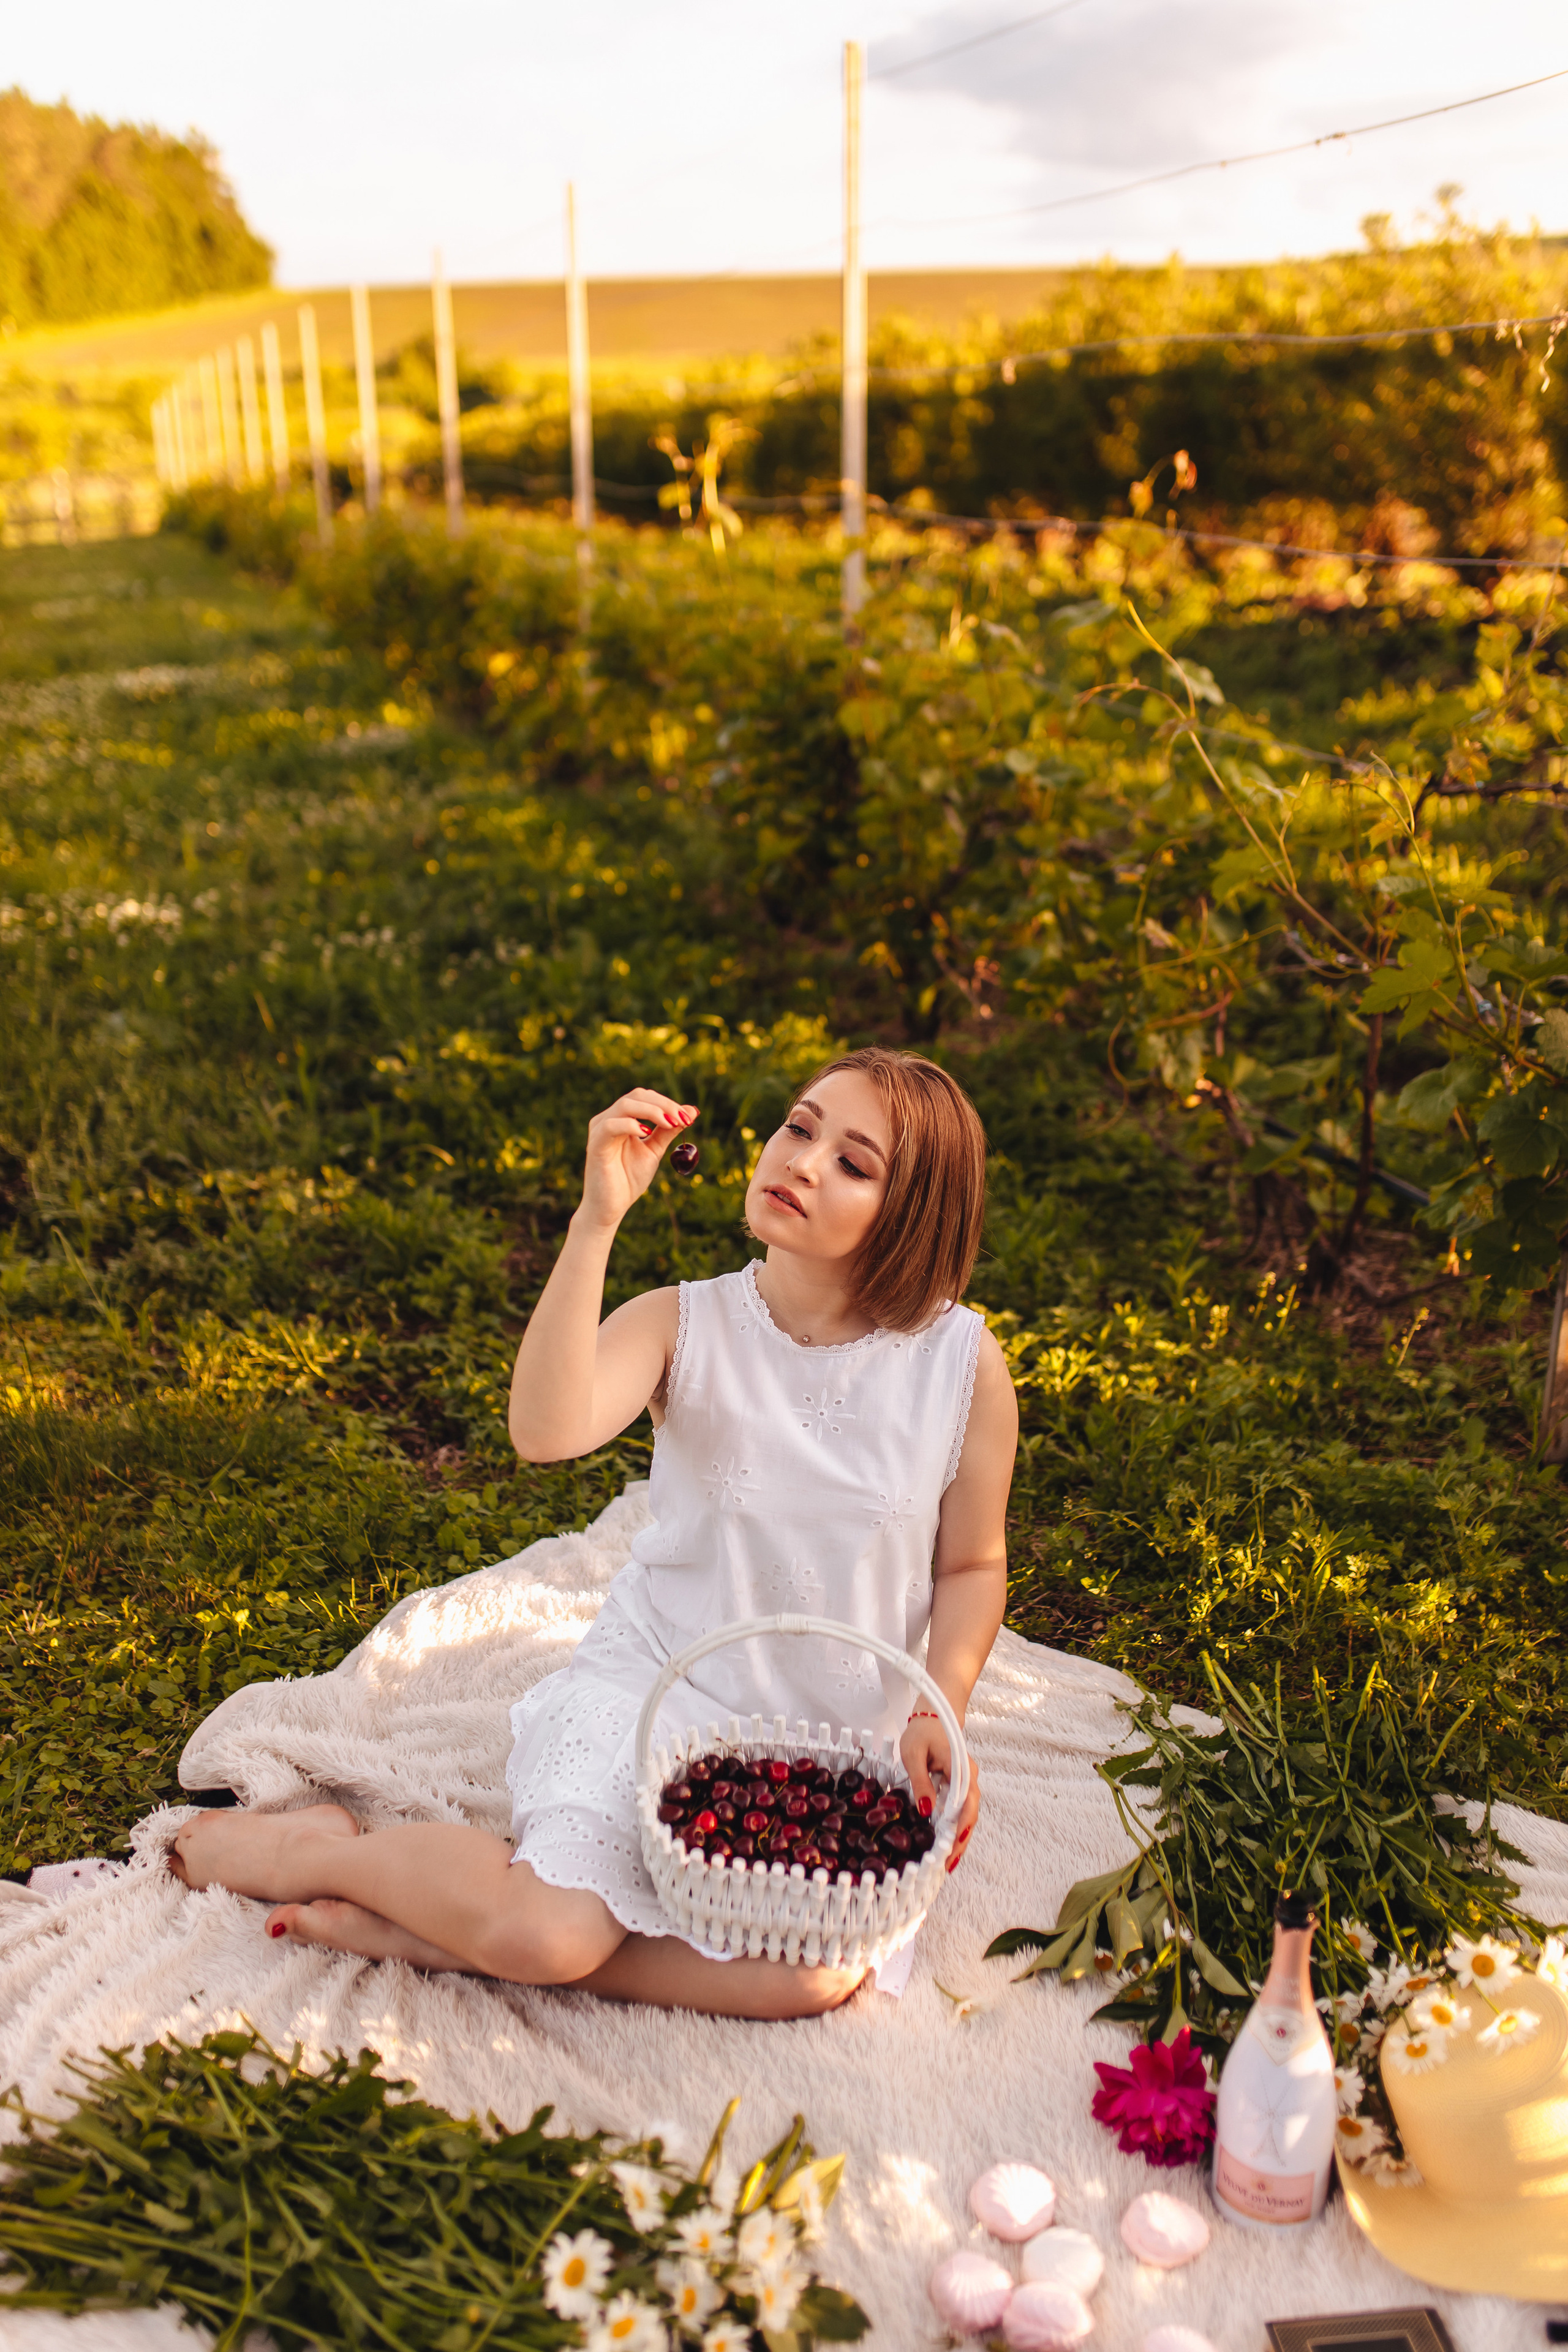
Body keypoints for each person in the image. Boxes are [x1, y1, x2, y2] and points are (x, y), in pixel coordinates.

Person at [172, 1047, 1018, 2019]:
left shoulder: (961, 1366)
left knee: (812, 1976)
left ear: (912, 1215)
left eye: (853, 1163)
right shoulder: (685, 1325)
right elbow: (545, 1431)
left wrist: (938, 1709)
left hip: (823, 1746)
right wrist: (597, 1220)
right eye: (800, 1126)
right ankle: (316, 1853)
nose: (803, 1160)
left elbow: (972, 1564)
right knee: (549, 1933)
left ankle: (435, 1939)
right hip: (656, 1692)